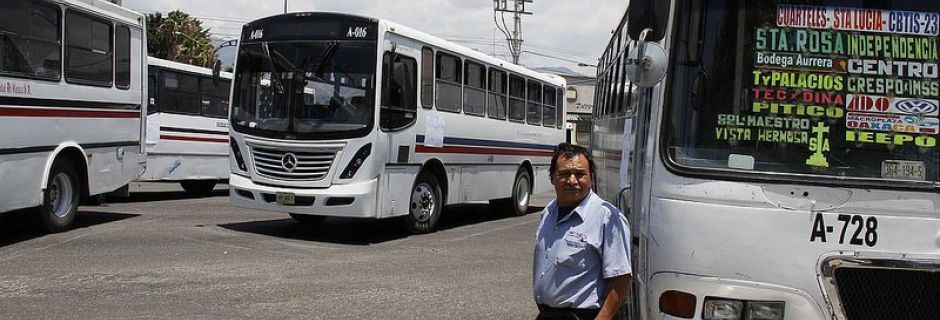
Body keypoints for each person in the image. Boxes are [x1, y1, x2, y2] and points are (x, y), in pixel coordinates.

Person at [533, 143, 632, 320]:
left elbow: (621, 278)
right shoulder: (548, 212)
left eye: (580, 174)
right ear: (552, 177)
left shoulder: (607, 217)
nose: (572, 181)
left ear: (591, 178)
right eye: (564, 174)